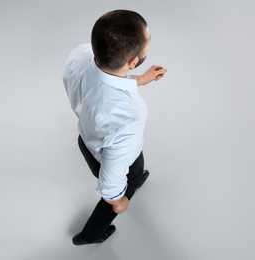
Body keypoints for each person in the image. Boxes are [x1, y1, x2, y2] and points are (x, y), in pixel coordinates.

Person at [63, 9, 167, 246]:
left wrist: (136, 80)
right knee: (124, 184)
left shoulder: (81, 54)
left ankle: (137, 178)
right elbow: (111, 178)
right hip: (109, 156)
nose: (148, 45)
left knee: (135, 171)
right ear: (132, 62)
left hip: (86, 138)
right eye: (147, 44)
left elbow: (97, 82)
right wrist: (118, 200)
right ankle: (90, 235)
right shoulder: (130, 116)